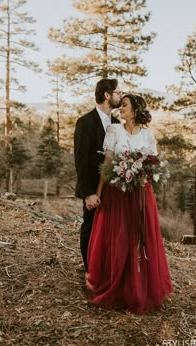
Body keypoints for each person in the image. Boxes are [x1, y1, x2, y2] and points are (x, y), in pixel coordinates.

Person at [86, 94, 173, 314]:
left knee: (139, 238)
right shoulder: (114, 130)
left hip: (141, 194)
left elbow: (153, 164)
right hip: (117, 194)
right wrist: (97, 194)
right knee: (119, 238)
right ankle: (117, 286)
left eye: (124, 105)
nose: (120, 108)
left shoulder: (148, 134)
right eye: (120, 105)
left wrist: (142, 174)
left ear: (135, 109)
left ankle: (140, 289)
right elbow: (106, 165)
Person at [74, 78, 121, 271]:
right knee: (90, 228)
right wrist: (88, 193)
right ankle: (89, 271)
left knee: (109, 230)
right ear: (107, 95)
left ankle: (104, 268)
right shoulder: (85, 122)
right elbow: (81, 159)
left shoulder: (117, 124)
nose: (120, 95)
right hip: (93, 188)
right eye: (118, 92)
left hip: (114, 189)